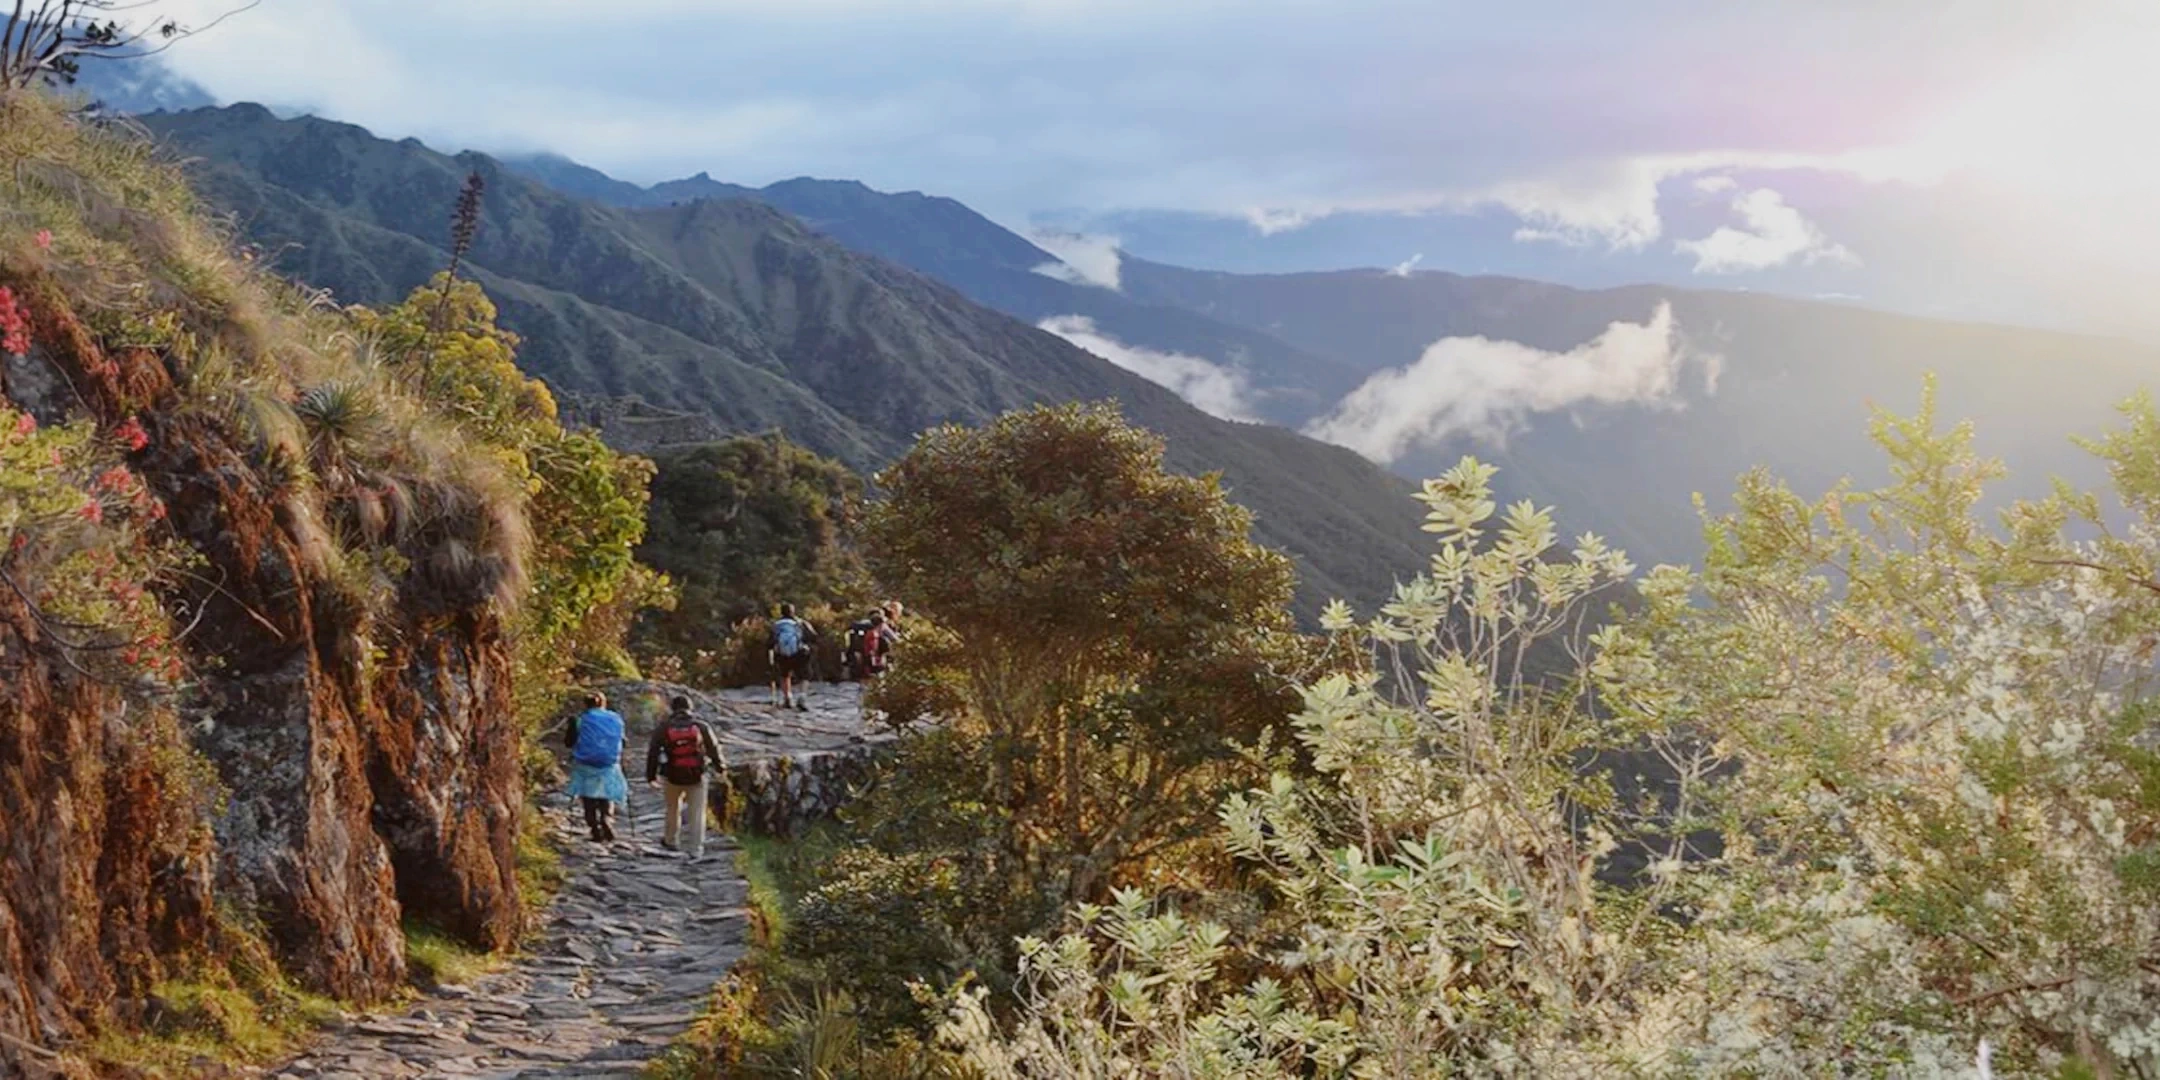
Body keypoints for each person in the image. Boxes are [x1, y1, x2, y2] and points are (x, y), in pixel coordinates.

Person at [645, 695, 727, 859]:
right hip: (697, 775)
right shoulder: (701, 726)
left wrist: (651, 776)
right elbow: (713, 748)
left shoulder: (664, 728)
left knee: (672, 808)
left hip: (672, 775)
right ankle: (696, 848)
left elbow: (653, 752)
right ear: (690, 708)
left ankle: (671, 841)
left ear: (672, 709)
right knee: (697, 812)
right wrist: (720, 767)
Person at [563, 691, 628, 842]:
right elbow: (623, 741)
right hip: (609, 763)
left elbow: (568, 743)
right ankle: (606, 819)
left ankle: (594, 828)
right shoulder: (615, 719)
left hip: (585, 764)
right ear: (603, 703)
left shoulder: (580, 720)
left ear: (585, 704)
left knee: (588, 798)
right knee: (606, 794)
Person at [768, 603, 818, 711]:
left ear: (781, 612)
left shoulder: (776, 625)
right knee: (805, 675)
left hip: (782, 654)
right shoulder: (800, 623)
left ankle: (787, 698)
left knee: (785, 675)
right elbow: (814, 636)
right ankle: (802, 697)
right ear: (793, 611)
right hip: (799, 653)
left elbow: (770, 642)